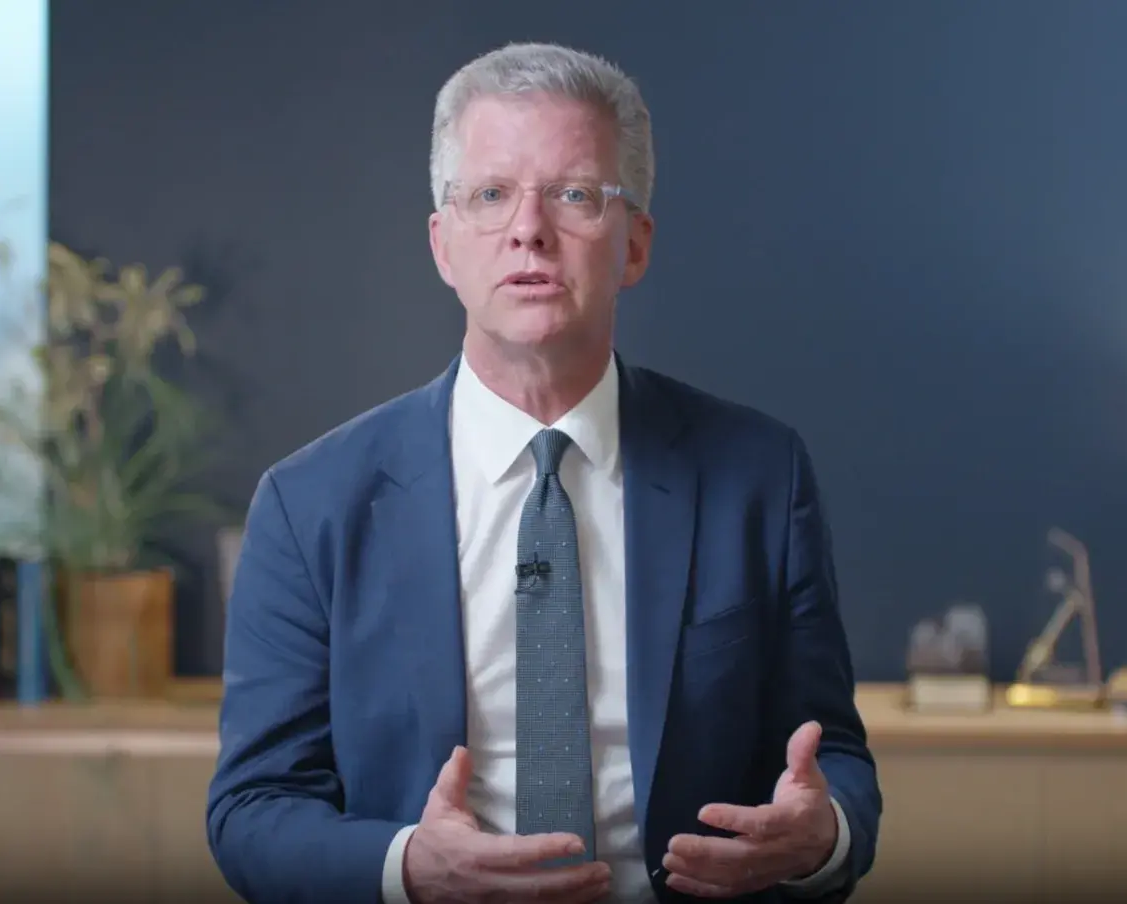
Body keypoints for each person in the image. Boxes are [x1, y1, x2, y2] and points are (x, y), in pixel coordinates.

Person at [207, 41, 881, 904]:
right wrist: (409, 867)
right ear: (444, 244)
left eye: (573, 194)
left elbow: (836, 762)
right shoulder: (311, 505)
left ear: (634, 246)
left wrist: (820, 836)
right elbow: (254, 809)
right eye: (490, 195)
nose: (528, 228)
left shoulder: (759, 476)